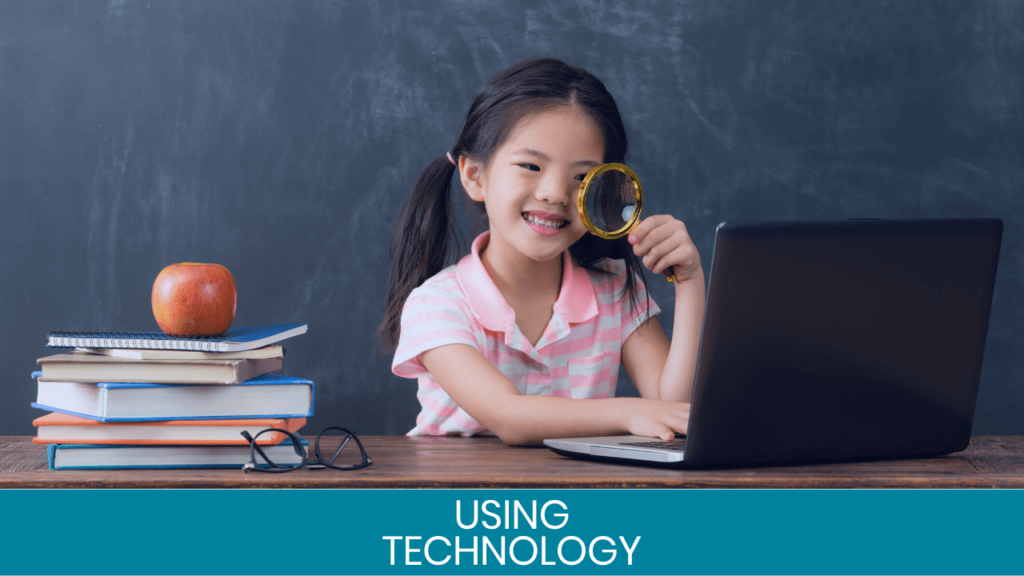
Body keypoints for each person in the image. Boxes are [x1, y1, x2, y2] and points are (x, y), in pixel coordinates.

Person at [379, 57, 704, 446]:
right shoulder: (437, 305)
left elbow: (673, 408)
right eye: (531, 165)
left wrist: (690, 282)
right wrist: (630, 412)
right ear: (474, 176)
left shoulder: (615, 290)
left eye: (583, 177)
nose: (554, 193)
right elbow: (510, 417)